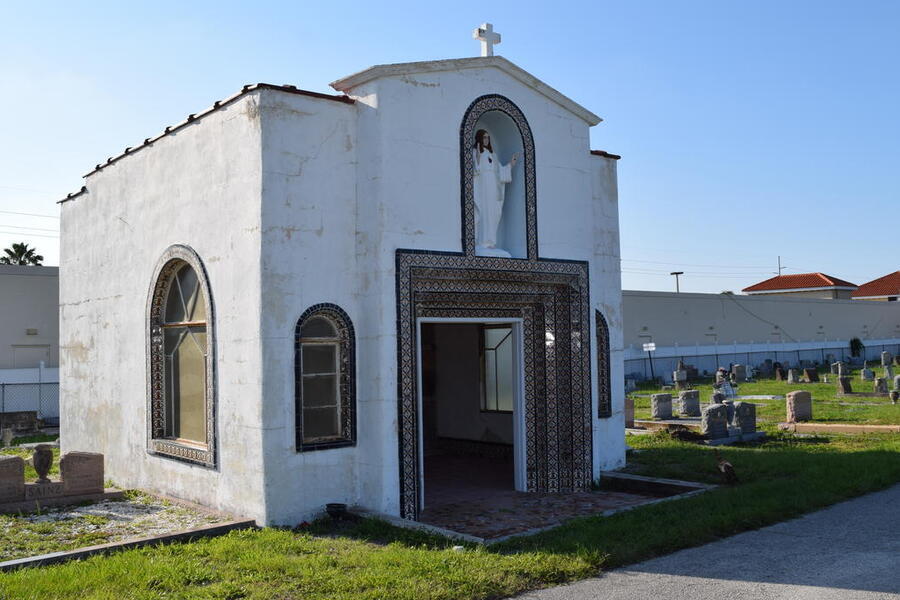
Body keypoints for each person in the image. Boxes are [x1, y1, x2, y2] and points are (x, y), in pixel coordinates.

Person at [472, 129, 518, 250]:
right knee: (484, 211)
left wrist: (510, 165)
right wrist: (477, 156)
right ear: (479, 139)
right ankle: (482, 242)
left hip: (493, 187)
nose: (486, 140)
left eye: (488, 137)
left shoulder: (494, 155)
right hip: (483, 187)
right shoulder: (475, 152)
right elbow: (474, 170)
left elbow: (500, 172)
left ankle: (491, 242)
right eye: (484, 137)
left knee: (493, 213)